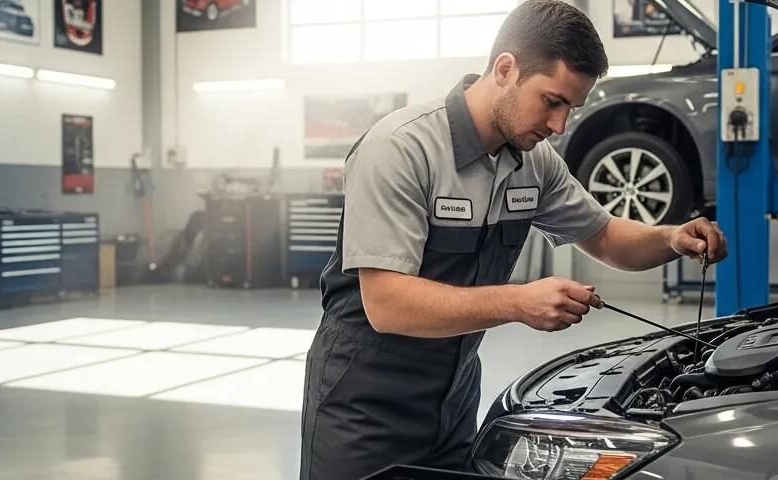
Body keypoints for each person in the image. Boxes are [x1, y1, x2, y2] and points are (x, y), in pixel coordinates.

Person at [299, 1, 727, 478]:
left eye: (572, 108)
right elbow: (387, 304)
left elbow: (605, 236)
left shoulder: (534, 162)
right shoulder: (401, 149)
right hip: (364, 406)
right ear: (506, 69)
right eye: (552, 101)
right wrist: (518, 303)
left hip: (454, 404)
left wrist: (671, 238)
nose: (560, 126)